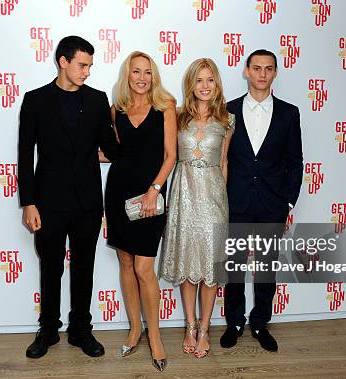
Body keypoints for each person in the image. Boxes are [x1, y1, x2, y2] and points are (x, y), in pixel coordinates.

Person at [18, 36, 120, 359]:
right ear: (63, 61)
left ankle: (80, 330)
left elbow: (112, 149)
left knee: (84, 266)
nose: (87, 72)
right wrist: (28, 202)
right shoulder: (35, 100)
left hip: (88, 201)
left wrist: (121, 118)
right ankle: (48, 329)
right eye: (82, 65)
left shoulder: (97, 100)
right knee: (50, 266)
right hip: (48, 201)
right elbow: (25, 154)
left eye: (90, 66)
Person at [220, 49, 303, 352]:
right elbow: (223, 159)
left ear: (275, 73)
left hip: (272, 205)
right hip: (236, 202)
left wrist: (288, 203)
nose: (262, 74)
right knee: (234, 267)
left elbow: (296, 161)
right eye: (256, 68)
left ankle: (260, 323)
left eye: (269, 69)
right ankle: (234, 323)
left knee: (267, 268)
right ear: (246, 71)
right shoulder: (226, 110)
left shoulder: (289, 113)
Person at [103, 51, 176, 371]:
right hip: (118, 193)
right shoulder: (116, 109)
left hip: (151, 196)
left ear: (154, 76)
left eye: (148, 72)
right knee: (126, 261)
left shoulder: (165, 107)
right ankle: (135, 329)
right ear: (127, 75)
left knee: (145, 267)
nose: (142, 77)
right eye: (136, 72)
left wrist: (153, 190)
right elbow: (113, 153)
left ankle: (155, 336)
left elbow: (170, 156)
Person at [159, 58, 234, 359]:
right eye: (199, 80)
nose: (204, 86)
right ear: (191, 84)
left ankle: (205, 328)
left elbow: (224, 162)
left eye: (210, 80)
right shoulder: (176, 117)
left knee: (210, 270)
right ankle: (190, 325)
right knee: (189, 267)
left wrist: (222, 201)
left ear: (216, 84)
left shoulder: (227, 120)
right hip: (183, 197)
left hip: (214, 198)